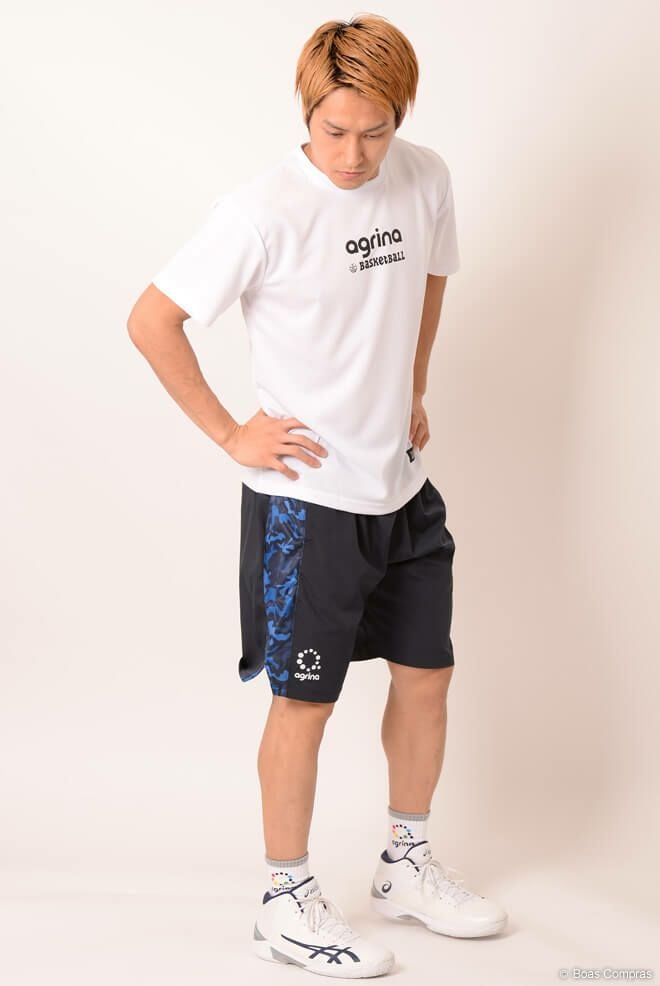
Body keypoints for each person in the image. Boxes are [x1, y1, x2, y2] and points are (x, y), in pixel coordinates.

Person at [127, 12, 507, 979]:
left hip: (402, 486)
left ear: (400, 115)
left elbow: (431, 277)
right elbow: (152, 319)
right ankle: (284, 900)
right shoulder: (262, 211)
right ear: (307, 113)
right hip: (310, 500)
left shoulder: (425, 177)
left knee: (428, 674)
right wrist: (231, 434)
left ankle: (406, 863)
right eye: (334, 130)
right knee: (306, 703)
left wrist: (413, 385)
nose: (353, 154)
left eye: (374, 131)